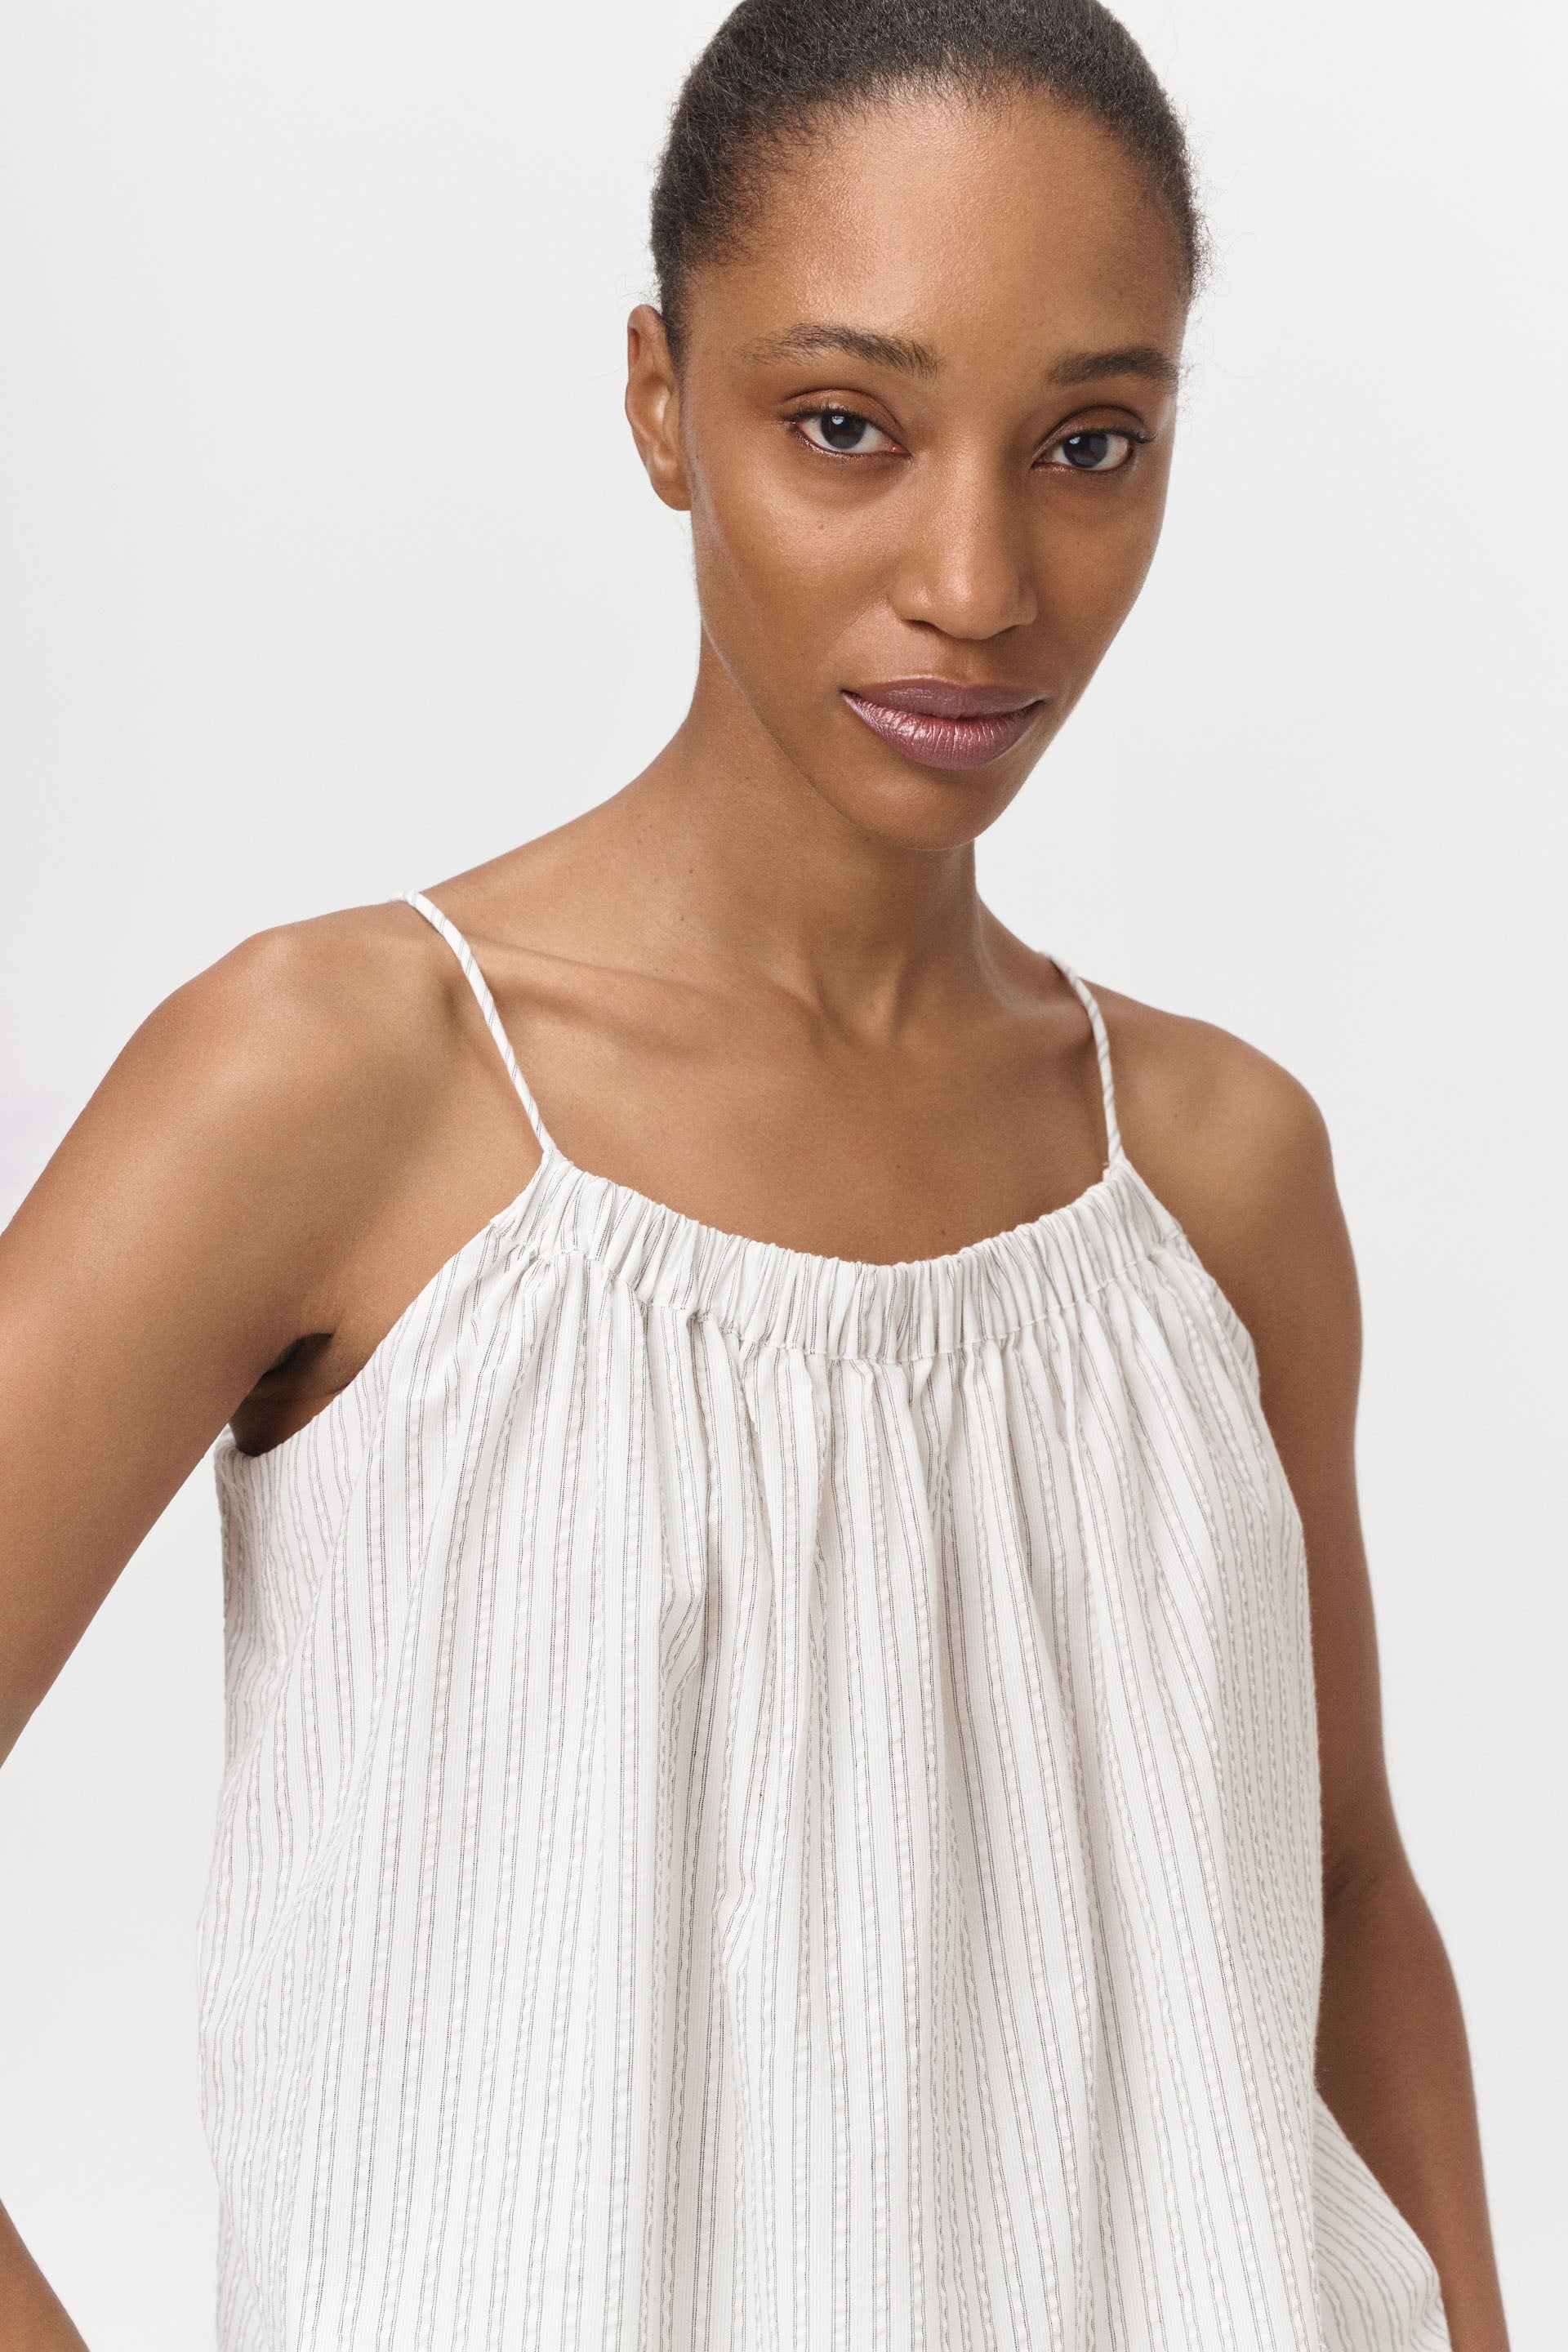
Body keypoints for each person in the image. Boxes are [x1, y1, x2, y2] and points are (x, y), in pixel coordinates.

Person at [0, 2, 1512, 2345]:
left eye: (1090, 444)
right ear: (658, 401)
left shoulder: (1218, 1175)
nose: (979, 577)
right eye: (846, 425)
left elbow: (1336, 1896)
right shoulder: (336, 1082)